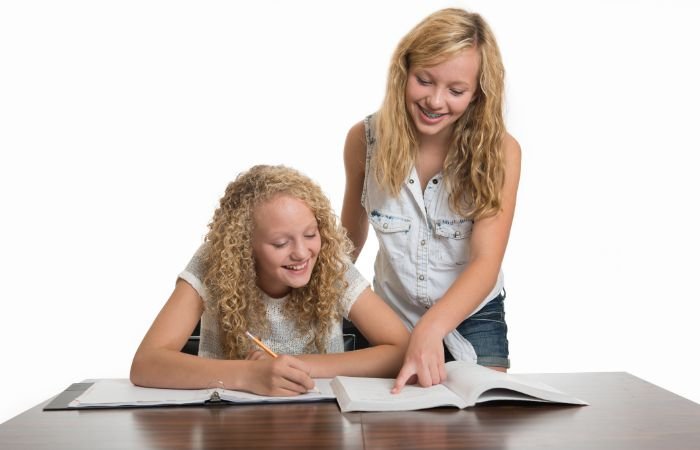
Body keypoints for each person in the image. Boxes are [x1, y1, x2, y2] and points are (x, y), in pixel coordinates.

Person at [341, 8, 521, 393]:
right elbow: (348, 242)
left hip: (474, 316)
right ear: (403, 71)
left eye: (456, 91)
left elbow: (486, 261)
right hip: (388, 312)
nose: (436, 101)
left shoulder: (502, 153)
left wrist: (431, 327)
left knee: (480, 420)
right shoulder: (363, 140)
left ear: (477, 95)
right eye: (424, 80)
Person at [131, 165, 409, 396]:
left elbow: (401, 349)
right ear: (244, 246)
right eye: (280, 243)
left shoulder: (330, 262)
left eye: (311, 234)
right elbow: (146, 363)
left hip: (320, 425)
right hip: (228, 427)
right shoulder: (214, 262)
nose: (302, 253)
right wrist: (248, 375)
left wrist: (296, 367)